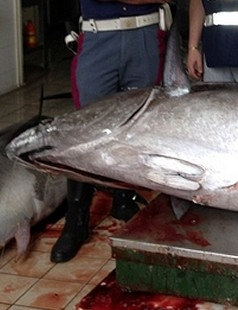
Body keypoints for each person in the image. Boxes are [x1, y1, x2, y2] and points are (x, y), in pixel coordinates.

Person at [51, 0, 171, 263]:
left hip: (145, 36)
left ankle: (123, 197)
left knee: (135, 126)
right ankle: (76, 222)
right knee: (84, 132)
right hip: (99, 37)